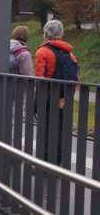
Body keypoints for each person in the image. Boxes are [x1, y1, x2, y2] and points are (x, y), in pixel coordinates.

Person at [35, 20, 79, 165]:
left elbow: (39, 79)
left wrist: (36, 104)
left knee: (46, 129)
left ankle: (44, 163)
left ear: (46, 33)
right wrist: (65, 97)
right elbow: (76, 78)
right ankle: (58, 163)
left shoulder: (42, 52)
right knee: (60, 129)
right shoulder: (70, 54)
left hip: (47, 98)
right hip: (63, 100)